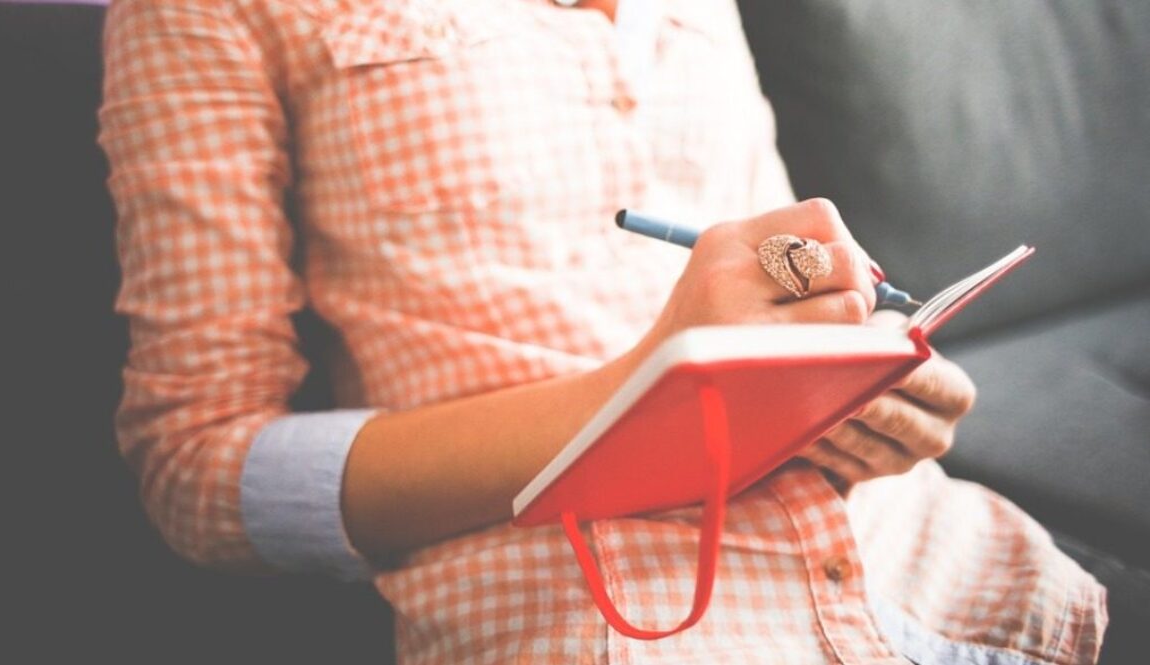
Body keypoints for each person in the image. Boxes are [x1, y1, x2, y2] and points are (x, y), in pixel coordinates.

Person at [98, 0, 1106, 661]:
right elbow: (196, 470)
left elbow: (779, 267)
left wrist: (851, 379)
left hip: (936, 566)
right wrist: (646, 390)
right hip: (602, 609)